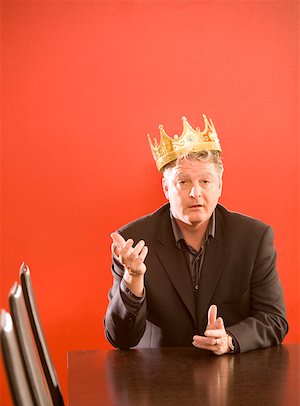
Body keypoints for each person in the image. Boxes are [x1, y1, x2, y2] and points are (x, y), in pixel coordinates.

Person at [104, 115, 288, 354]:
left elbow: (274, 320)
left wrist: (230, 339)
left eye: (205, 181)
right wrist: (132, 281)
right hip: (155, 380)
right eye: (183, 182)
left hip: (234, 381)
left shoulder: (253, 238)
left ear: (220, 185)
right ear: (166, 188)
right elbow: (120, 339)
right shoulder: (133, 242)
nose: (195, 193)